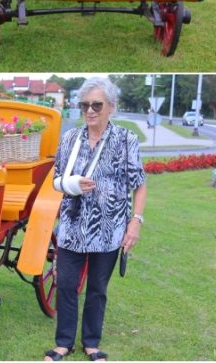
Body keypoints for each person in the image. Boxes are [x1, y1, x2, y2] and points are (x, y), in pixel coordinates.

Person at [44, 77, 146, 362]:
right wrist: (72, 184)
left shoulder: (126, 140)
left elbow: (139, 184)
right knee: (66, 284)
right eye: (85, 105)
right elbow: (56, 180)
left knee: (97, 289)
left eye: (97, 105)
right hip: (72, 226)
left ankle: (91, 343)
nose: (89, 110)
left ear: (111, 107)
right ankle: (63, 343)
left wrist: (135, 222)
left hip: (109, 228)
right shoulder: (70, 138)